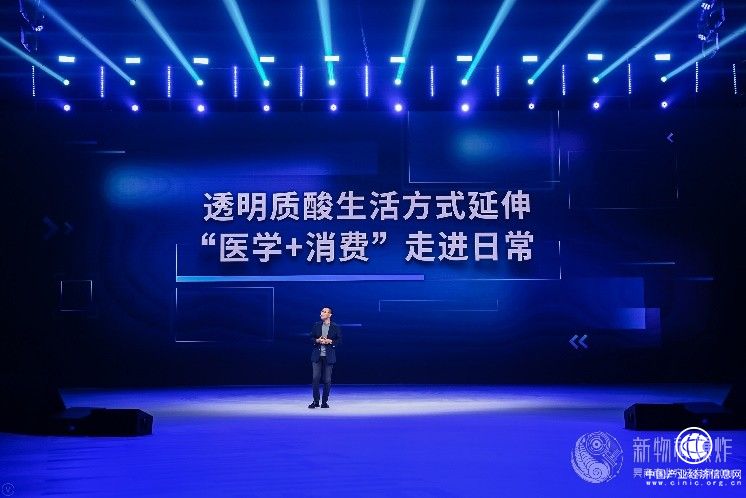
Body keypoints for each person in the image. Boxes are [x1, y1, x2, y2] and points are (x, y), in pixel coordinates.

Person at [308, 307, 342, 409]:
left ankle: (324, 402)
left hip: (329, 356)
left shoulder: (335, 327)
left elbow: (339, 340)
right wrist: (317, 340)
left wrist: (330, 341)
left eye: (325, 311)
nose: (322, 313)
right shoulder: (316, 325)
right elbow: (311, 337)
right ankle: (315, 401)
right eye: (322, 311)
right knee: (315, 378)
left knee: (327, 380)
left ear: (330, 315)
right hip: (317, 356)